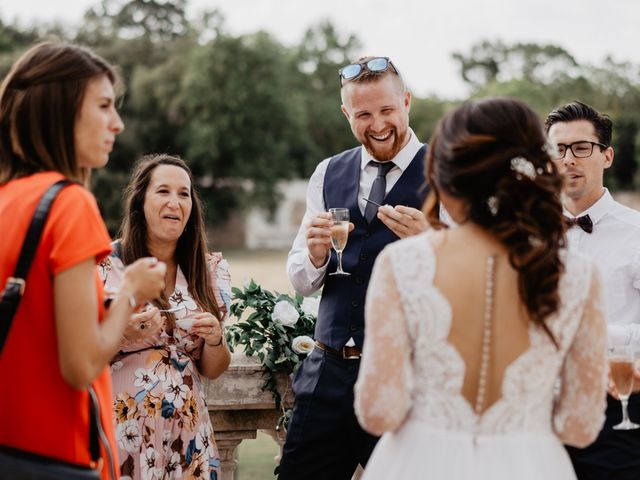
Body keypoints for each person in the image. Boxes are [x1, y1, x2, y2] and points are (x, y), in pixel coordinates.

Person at [355, 97, 608, 480]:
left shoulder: (403, 263)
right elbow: (579, 426)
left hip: (418, 464)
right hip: (532, 466)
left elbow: (379, 413)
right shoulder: (579, 274)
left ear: (444, 177)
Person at [0, 42, 166, 479]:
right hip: (56, 456)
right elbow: (80, 366)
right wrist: (130, 293)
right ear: (62, 109)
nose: (118, 123)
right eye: (104, 105)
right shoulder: (68, 204)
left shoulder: (6, 200)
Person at [278, 56, 429, 479]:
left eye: (386, 110)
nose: (377, 125)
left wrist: (433, 245)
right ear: (347, 114)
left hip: (406, 378)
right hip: (326, 374)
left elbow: (474, 282)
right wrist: (316, 255)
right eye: (363, 114)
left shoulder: (449, 174)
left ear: (407, 102)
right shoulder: (327, 172)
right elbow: (300, 280)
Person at [99, 154, 231, 479]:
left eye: (184, 193)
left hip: (187, 438)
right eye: (163, 191)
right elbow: (81, 349)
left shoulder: (210, 270)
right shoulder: (106, 265)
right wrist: (123, 332)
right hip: (123, 430)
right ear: (140, 202)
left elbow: (213, 368)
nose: (175, 201)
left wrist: (215, 339)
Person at [546, 101, 640, 479]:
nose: (568, 159)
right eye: (558, 149)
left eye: (581, 148)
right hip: (539, 421)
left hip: (615, 416)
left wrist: (609, 343)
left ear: (607, 156)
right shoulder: (526, 236)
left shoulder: (637, 233)